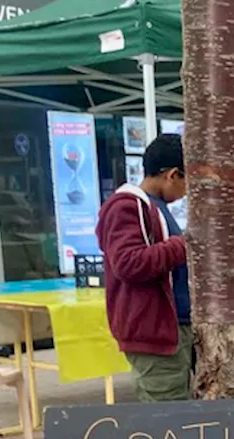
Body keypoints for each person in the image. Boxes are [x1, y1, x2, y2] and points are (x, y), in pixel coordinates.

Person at [97, 133, 191, 402]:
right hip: (154, 331)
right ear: (172, 175)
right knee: (167, 414)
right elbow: (128, 263)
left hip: (174, 327)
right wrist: (185, 245)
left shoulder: (157, 207)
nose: (186, 191)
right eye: (187, 181)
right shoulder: (126, 205)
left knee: (179, 407)